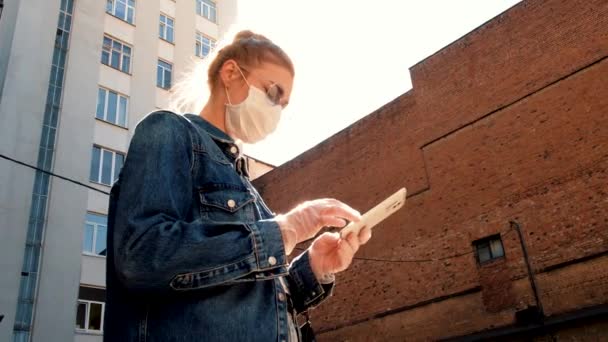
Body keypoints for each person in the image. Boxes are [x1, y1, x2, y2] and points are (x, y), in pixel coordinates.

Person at [103, 30, 373, 342]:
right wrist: (286, 230)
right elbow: (141, 256)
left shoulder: (245, 185)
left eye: (284, 105)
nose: (277, 111)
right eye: (273, 94)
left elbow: (249, 301)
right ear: (231, 73)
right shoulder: (168, 131)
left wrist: (314, 266)